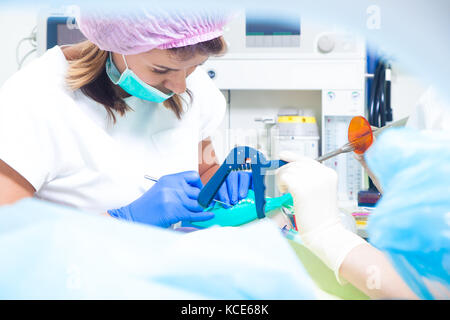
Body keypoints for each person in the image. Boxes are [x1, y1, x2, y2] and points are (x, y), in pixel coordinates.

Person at [0, 8, 252, 228]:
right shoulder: (33, 98)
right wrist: (121, 220)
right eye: (161, 69)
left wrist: (220, 181)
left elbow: (205, 170)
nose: (179, 85)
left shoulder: (187, 80)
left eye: (195, 66)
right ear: (118, 42)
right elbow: (10, 236)